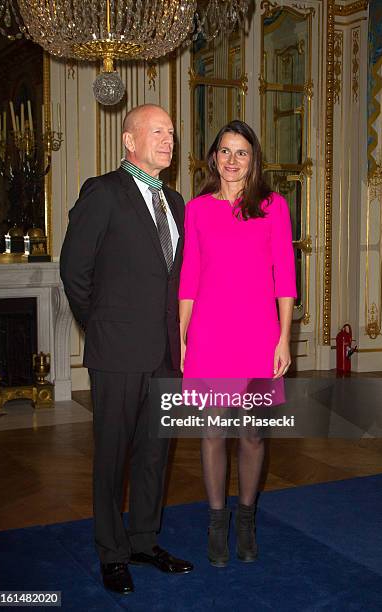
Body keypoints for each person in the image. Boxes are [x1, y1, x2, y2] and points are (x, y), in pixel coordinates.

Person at [60, 104, 193, 595]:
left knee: (155, 455)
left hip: (165, 356)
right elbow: (75, 272)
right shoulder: (103, 193)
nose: (168, 139)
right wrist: (101, 328)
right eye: (157, 131)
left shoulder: (176, 202)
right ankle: (111, 552)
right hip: (116, 353)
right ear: (129, 140)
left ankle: (142, 540)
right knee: (112, 457)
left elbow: (176, 279)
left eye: (172, 132)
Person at [179, 120, 297, 567]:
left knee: (251, 435)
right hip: (209, 334)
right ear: (213, 158)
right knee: (212, 432)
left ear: (253, 159)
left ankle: (246, 519)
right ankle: (216, 523)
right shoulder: (198, 209)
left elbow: (285, 276)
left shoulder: (273, 206)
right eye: (225, 151)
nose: (232, 160)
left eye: (241, 152)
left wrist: (284, 338)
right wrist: (182, 335)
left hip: (259, 334)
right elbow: (189, 276)